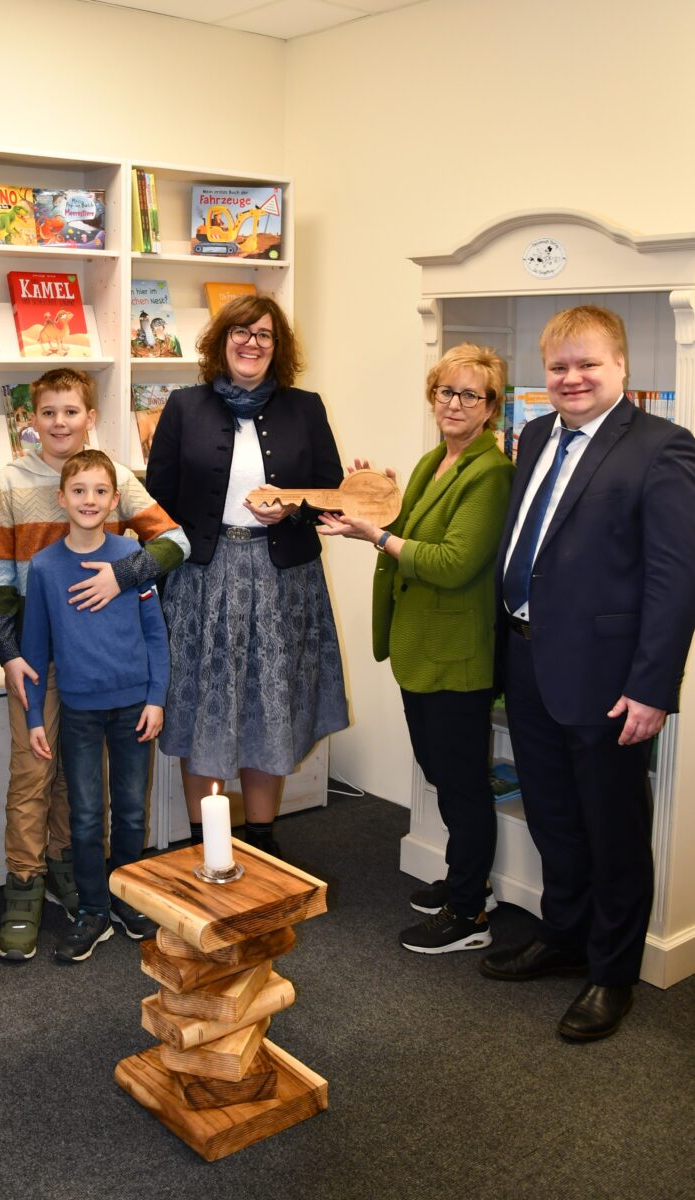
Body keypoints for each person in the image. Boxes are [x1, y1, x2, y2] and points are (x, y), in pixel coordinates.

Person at [481, 305, 695, 1041]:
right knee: (551, 813)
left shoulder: (663, 449)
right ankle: (563, 933)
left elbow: (675, 580)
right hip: (526, 658)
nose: (570, 379)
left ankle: (610, 973)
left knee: (611, 828)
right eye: (559, 367)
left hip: (608, 680)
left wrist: (651, 687)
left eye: (587, 365)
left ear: (621, 367)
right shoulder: (534, 434)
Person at [0, 367, 188, 962]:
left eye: (71, 412)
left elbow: (174, 544)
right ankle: (23, 888)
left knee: (83, 790)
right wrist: (10, 651)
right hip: (36, 652)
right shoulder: (11, 482)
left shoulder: (115, 478)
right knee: (32, 774)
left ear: (90, 416)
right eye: (48, 413)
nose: (59, 423)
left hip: (104, 658)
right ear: (31, 420)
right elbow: (0, 576)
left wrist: (119, 575)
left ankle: (72, 875)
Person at [319, 345, 514, 953]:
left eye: (470, 395)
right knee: (440, 771)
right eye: (445, 392)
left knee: (461, 782)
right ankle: (468, 880)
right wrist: (374, 498)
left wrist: (376, 534)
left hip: (456, 651)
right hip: (420, 646)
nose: (454, 404)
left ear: (490, 408)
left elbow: (454, 563)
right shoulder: (438, 459)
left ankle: (468, 915)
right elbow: (413, 527)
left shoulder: (491, 472)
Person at [145, 296, 348, 855]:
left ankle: (262, 840)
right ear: (221, 341)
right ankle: (200, 844)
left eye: (264, 334)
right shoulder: (183, 406)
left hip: (283, 579)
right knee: (201, 709)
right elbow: (156, 499)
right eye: (240, 331)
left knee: (269, 708)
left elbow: (328, 496)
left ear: (277, 348)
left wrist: (291, 508)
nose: (251, 343)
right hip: (202, 579)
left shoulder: (305, 408)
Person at [22, 450, 169, 963]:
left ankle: (128, 898)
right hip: (81, 711)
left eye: (100, 491)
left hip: (134, 706)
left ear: (114, 498)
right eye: (79, 490)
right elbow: (35, 649)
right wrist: (34, 715)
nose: (89, 500)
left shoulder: (133, 557)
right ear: (61, 498)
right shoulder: (43, 568)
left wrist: (156, 698)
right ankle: (92, 909)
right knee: (85, 815)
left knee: (130, 811)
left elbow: (156, 635)